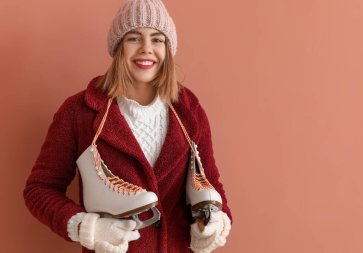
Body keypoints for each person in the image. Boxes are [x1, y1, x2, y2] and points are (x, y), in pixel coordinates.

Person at [23, 0, 232, 252]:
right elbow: (39, 189)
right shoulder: (79, 112)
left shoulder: (188, 109)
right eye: (134, 38)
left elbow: (210, 182)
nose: (146, 49)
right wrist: (86, 227)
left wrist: (215, 223)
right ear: (118, 46)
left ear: (168, 48)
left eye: (157, 39)